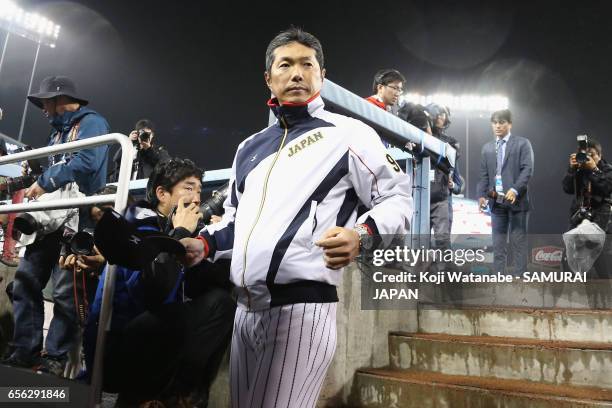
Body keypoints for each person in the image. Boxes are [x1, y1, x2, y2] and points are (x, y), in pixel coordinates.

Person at [180, 28, 413, 408]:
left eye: (308, 64)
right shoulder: (248, 148)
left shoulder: (350, 134)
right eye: (285, 64)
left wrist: (363, 234)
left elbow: (398, 199)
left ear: (322, 75)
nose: (297, 73)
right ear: (269, 78)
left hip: (301, 309)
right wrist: (203, 243)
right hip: (244, 310)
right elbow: (237, 221)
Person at [85, 158, 234, 407]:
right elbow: (154, 289)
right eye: (188, 188)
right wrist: (179, 235)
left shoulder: (182, 229)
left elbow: (210, 283)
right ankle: (160, 396)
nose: (197, 198)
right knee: (183, 313)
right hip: (117, 352)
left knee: (221, 304)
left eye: (199, 190)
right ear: (162, 194)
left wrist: (211, 245)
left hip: (150, 345)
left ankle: (180, 395)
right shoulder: (138, 221)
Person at [3, 75, 110, 375]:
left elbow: (88, 162)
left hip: (78, 215)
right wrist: (41, 176)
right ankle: (26, 350)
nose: (42, 108)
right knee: (25, 282)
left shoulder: (92, 122)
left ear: (59, 99)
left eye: (44, 101)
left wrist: (46, 180)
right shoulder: (56, 135)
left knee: (65, 292)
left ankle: (57, 356)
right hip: (48, 216)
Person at [477, 109, 534, 275]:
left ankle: (520, 284)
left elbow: (527, 170)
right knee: (498, 244)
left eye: (501, 122)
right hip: (497, 203)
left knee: (518, 243)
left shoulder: (522, 143)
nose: (497, 126)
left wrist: (515, 189)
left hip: (517, 201)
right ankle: (498, 283)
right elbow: (484, 175)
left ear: (510, 124)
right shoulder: (487, 148)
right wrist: (481, 195)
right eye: (494, 122)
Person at [562, 137, 612, 276]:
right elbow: (567, 188)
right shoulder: (578, 169)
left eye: (592, 155)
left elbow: (606, 188)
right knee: (568, 252)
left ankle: (605, 291)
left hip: (600, 216)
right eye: (585, 155)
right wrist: (572, 169)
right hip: (579, 213)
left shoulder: (607, 170)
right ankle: (571, 289)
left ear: (600, 155)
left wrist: (594, 170)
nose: (588, 158)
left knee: (597, 253)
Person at [426, 103, 463, 247]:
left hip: (441, 200)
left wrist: (453, 185)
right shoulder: (416, 137)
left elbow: (459, 183)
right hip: (419, 199)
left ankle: (444, 270)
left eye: (443, 114)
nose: (440, 117)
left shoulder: (450, 143)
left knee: (442, 243)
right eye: (437, 114)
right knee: (419, 244)